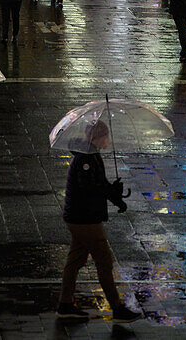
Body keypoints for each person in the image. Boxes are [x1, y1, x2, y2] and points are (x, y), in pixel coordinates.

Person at [56, 121, 140, 322]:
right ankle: (117, 309)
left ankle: (65, 304)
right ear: (96, 138)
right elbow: (90, 188)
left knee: (76, 259)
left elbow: (98, 184)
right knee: (104, 260)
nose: (108, 140)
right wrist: (111, 192)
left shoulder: (91, 154)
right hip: (84, 219)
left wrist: (115, 195)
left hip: (81, 217)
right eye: (105, 136)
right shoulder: (86, 158)